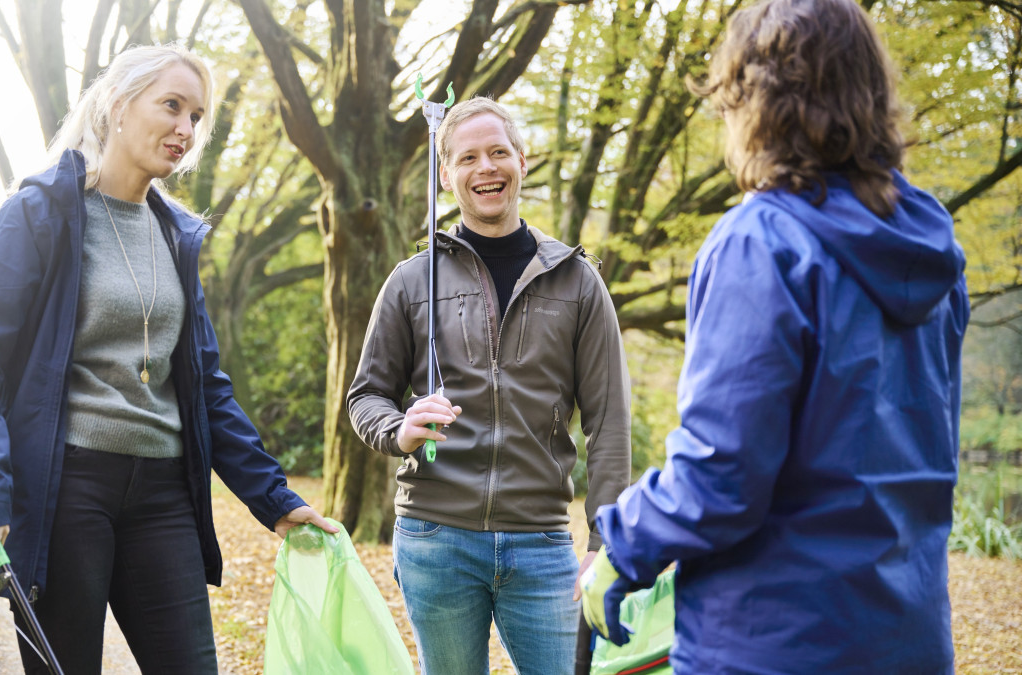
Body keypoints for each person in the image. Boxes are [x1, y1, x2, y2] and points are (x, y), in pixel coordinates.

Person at [0, 44, 337, 674]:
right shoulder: (41, 213)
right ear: (117, 104)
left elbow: (204, 384)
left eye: (196, 115)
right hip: (66, 489)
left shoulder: (176, 236)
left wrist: (273, 499)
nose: (186, 129)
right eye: (172, 106)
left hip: (164, 495)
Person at [578, 0, 969, 671]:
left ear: (754, 101)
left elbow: (720, 476)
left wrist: (620, 546)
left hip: (773, 641)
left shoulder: (762, 241)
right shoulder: (932, 250)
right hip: (908, 639)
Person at [347, 96, 632, 675]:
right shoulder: (409, 281)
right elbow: (365, 396)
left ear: (522, 162)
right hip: (434, 538)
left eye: (499, 152)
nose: (486, 168)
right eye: (468, 157)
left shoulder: (578, 281)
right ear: (446, 174)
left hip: (543, 545)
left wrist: (605, 543)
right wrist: (398, 428)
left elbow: (609, 424)